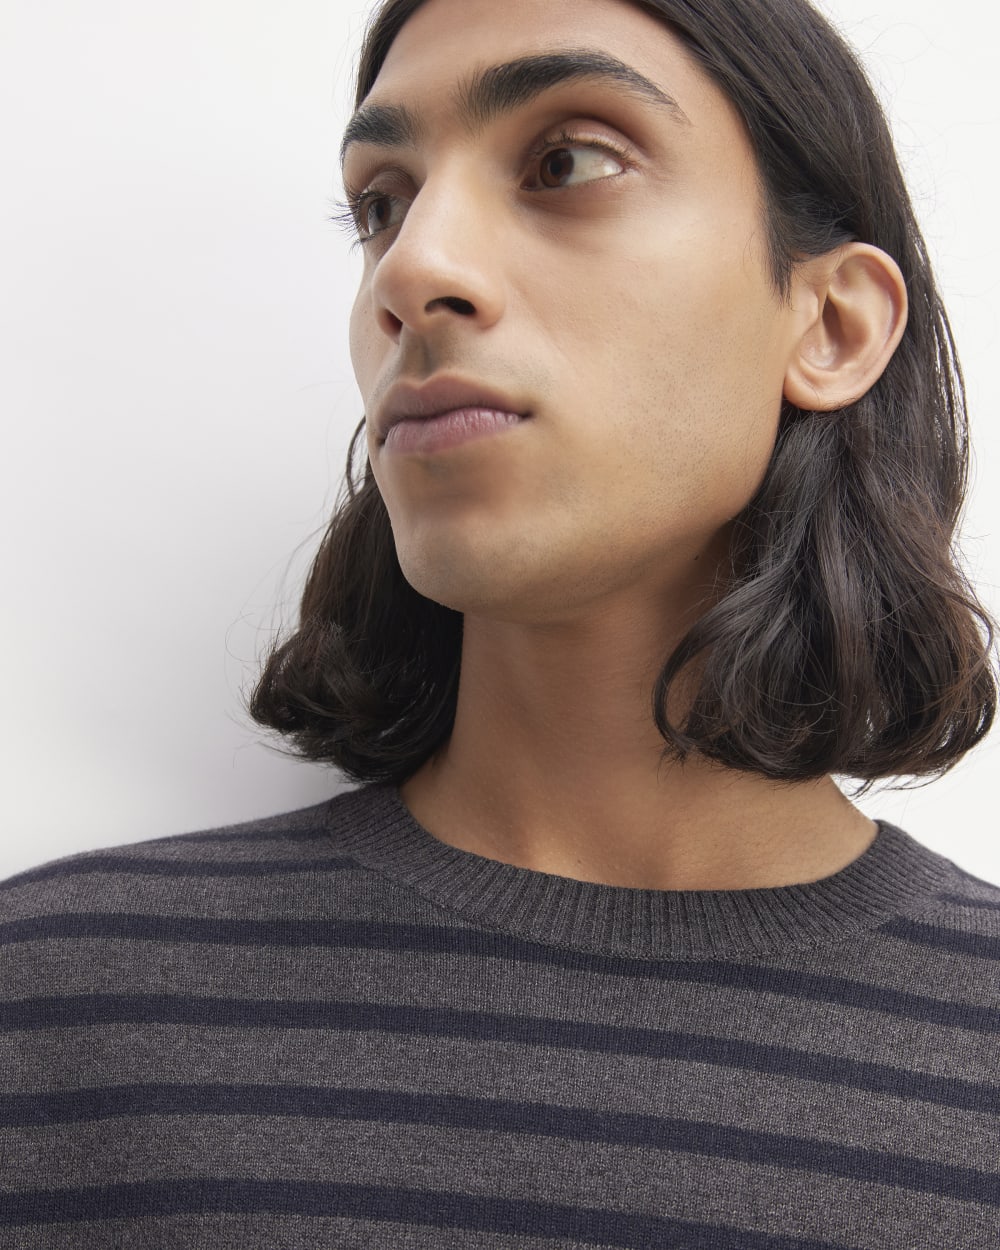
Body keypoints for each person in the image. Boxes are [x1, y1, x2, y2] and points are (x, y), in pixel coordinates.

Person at [3, 0, 998, 1244]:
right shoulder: (52, 1009)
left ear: (832, 324)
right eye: (381, 204)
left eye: (567, 161)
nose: (411, 269)